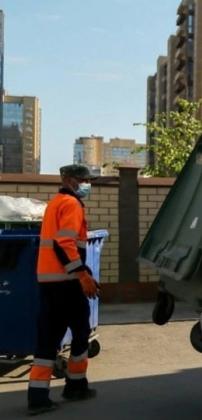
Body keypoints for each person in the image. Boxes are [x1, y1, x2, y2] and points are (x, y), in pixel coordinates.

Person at [28, 165, 99, 415]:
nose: (88, 184)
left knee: (48, 339)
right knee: (80, 331)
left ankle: (37, 397)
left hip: (49, 283)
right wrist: (81, 274)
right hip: (66, 283)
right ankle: (75, 385)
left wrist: (83, 272)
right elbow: (63, 243)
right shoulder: (71, 204)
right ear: (69, 181)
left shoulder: (55, 203)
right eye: (83, 180)